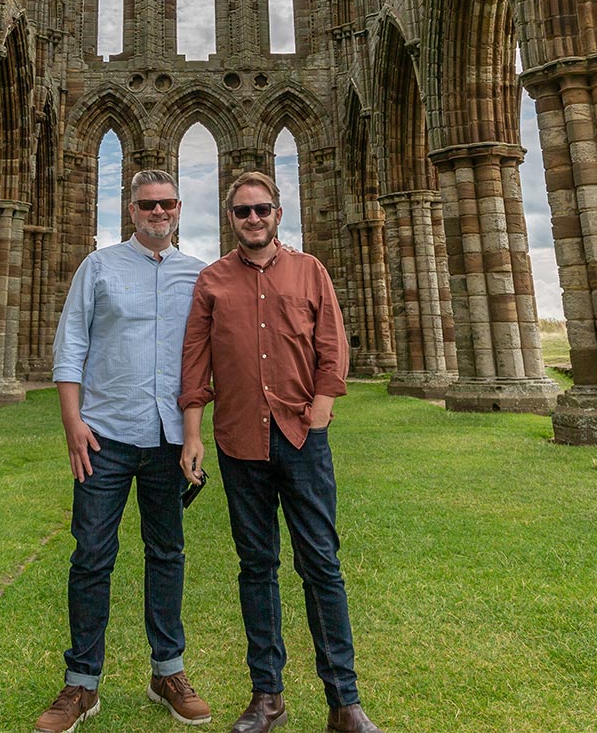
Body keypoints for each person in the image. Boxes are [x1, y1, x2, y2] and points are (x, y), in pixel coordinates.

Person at [178, 172, 386, 733]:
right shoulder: (212, 282)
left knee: (321, 565)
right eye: (242, 211)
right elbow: (195, 364)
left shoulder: (309, 270)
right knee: (256, 568)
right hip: (240, 442)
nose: (253, 219)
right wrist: (193, 434)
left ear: (277, 213)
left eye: (261, 209)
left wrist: (320, 411)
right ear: (230, 218)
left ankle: (345, 702)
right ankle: (267, 697)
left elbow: (331, 345)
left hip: (301, 439)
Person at [38, 171, 214, 731]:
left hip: (168, 440)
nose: (157, 213)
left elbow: (201, 364)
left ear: (179, 209)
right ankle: (82, 684)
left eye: (165, 204)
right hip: (104, 437)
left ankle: (168, 671)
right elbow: (71, 346)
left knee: (167, 554)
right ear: (130, 210)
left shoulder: (198, 275)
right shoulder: (99, 267)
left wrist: (193, 434)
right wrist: (72, 424)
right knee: (91, 556)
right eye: (147, 205)